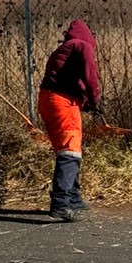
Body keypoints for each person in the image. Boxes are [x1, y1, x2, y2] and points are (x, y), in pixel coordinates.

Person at [38, 20, 101, 222]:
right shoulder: (82, 46)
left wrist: (84, 99)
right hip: (62, 101)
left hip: (49, 99)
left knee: (67, 150)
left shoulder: (65, 48)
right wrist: (94, 98)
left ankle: (73, 198)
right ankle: (61, 204)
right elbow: (90, 74)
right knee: (70, 151)